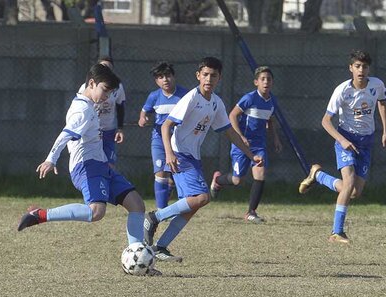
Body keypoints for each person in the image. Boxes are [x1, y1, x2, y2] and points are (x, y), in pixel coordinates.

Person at [17, 64, 161, 276]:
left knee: (136, 204)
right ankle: (39, 215)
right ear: (91, 84)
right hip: (86, 166)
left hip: (100, 164)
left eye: (110, 93)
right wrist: (50, 159)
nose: (106, 97)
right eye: (104, 90)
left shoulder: (87, 102)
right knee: (96, 212)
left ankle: (137, 260)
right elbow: (65, 134)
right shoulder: (82, 109)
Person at [143, 57, 263, 262]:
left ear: (219, 78)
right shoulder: (191, 98)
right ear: (198, 76)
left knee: (193, 205)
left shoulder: (216, 103)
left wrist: (251, 155)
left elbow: (229, 132)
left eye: (213, 75)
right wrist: (169, 154)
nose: (209, 79)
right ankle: (154, 217)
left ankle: (161, 246)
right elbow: (166, 126)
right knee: (202, 197)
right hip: (179, 154)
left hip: (192, 156)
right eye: (205, 74)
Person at [299, 49, 386, 244]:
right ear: (350, 68)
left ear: (369, 69)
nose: (361, 70)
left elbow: (382, 103)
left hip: (366, 142)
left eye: (364, 67)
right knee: (348, 184)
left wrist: (385, 130)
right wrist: (341, 140)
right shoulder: (342, 90)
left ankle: (318, 175)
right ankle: (336, 232)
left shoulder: (377, 85)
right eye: (357, 66)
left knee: (354, 192)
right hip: (346, 140)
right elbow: (325, 121)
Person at [210, 66, 282, 223]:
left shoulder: (272, 100)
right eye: (262, 79)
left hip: (259, 145)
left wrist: (275, 137)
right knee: (237, 180)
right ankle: (218, 180)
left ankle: (251, 212)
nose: (266, 82)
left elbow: (270, 119)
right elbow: (232, 115)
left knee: (260, 174)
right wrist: (240, 136)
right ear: (256, 82)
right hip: (242, 145)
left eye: (269, 79)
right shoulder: (249, 98)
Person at [138, 61, 188, 210]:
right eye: (160, 77)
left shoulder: (185, 95)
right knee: (160, 174)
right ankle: (162, 211)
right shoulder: (154, 96)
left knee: (180, 173)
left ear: (174, 76)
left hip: (179, 140)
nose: (165, 79)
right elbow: (144, 112)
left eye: (167, 75)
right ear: (156, 81)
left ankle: (183, 206)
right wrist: (143, 118)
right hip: (159, 139)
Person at [79, 56, 125, 169]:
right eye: (104, 67)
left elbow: (120, 106)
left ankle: (108, 185)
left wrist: (120, 128)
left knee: (109, 166)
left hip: (108, 131)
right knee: (92, 164)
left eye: (109, 69)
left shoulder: (117, 87)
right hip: (92, 131)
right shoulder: (86, 87)